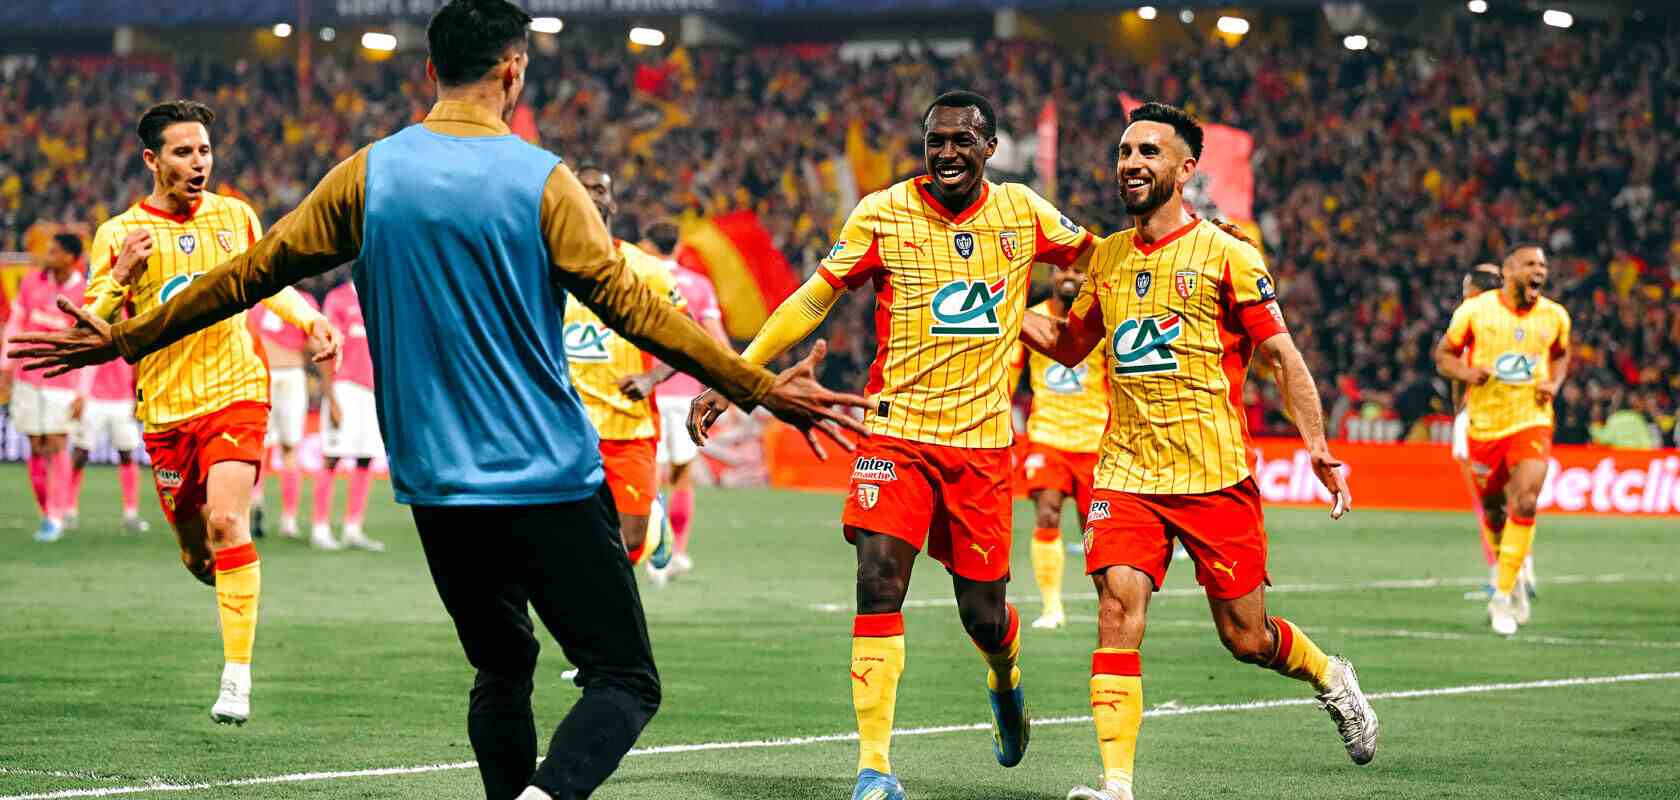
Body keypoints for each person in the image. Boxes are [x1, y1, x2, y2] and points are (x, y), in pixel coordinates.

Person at [9, 2, 865, 797]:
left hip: (438, 491)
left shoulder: (369, 175)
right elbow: (634, 306)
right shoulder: (544, 179)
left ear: (428, 72)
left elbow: (249, 274)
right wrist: (756, 386)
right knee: (624, 678)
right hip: (549, 479)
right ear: (514, 72)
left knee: (502, 671)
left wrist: (126, 336)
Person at [690, 89, 1095, 800]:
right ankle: (874, 769)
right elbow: (815, 297)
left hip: (979, 450)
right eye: (935, 140)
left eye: (961, 141)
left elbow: (1103, 257)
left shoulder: (1024, 212)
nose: (945, 153)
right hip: (895, 438)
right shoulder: (882, 211)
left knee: (984, 615)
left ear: (989, 149)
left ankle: (1005, 677)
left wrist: (1093, 280)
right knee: (878, 580)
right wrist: (737, 374)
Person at [1019, 102, 1376, 800]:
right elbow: (1069, 344)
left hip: (1213, 475)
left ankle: (1331, 676)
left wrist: (1319, 448)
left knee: (1246, 637)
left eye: (1149, 152)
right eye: (1125, 152)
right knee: (1117, 613)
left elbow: (1281, 356)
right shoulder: (1108, 260)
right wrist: (1004, 309)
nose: (1132, 163)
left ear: (1185, 170)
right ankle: (1116, 784)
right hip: (1124, 471)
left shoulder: (1228, 255)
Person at [78, 100, 338, 725]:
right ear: (151, 160)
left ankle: (237, 679)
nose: (198, 163)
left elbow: (268, 283)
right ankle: (216, 570)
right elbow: (91, 326)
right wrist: (119, 277)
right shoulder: (119, 234)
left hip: (236, 391)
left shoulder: (236, 217)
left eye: (204, 151)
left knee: (228, 519)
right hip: (166, 411)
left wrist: (310, 320)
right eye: (182, 153)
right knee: (201, 554)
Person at [1435, 243, 1571, 637]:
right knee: (1493, 512)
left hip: (1532, 420)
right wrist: (1465, 370)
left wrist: (1554, 383)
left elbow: (1561, 355)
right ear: (1509, 271)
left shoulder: (1555, 316)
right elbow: (1443, 355)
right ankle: (1507, 576)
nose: (1539, 270)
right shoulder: (1475, 312)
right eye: (1530, 263)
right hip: (1484, 427)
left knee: (1526, 499)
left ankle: (1504, 592)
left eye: (1543, 265)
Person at [563, 166, 683, 571]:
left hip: (628, 428)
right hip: (567, 429)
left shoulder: (645, 269)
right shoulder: (546, 266)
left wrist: (652, 378)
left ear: (611, 202)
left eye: (599, 189)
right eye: (583, 189)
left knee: (629, 544)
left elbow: (685, 335)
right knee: (569, 541)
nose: (592, 196)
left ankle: (652, 520)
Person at [1011, 258, 1107, 631]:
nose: (1069, 276)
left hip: (1094, 441)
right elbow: (1010, 374)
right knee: (1047, 512)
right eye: (1063, 270)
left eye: (1079, 270)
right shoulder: (1030, 319)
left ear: (1089, 276)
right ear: (1052, 275)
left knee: (1095, 529)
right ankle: (1052, 608)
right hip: (1047, 437)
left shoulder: (1101, 320)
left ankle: (1109, 608)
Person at [645, 220, 725, 582]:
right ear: (677, 245)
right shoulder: (698, 285)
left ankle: (650, 552)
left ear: (647, 244)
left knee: (652, 476)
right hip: (688, 394)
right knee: (680, 476)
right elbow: (716, 340)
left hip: (647, 389)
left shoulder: (638, 275)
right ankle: (677, 552)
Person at [0, 232, 89, 542]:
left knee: (56, 442)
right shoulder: (31, 282)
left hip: (62, 380)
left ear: (70, 257)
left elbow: (90, 345)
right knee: (36, 445)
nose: (48, 255)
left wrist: (83, 391)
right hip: (27, 376)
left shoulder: (85, 293)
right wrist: (6, 365)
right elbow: (15, 323)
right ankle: (47, 509)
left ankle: (56, 512)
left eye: (54, 251)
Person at [1447, 264, 1511, 598]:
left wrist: (1459, 414)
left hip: (1478, 417)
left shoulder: (1470, 317)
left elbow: (1460, 373)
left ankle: (1502, 577)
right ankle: (1517, 574)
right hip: (1512, 417)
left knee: (1485, 501)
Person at [312, 271, 385, 552]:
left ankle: (353, 528)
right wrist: (331, 397)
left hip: (371, 390)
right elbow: (325, 349)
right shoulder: (338, 299)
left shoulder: (378, 300)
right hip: (344, 389)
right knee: (332, 456)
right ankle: (320, 526)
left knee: (365, 458)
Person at [247, 290, 321, 541]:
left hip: (263, 373)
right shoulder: (304, 301)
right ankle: (288, 519)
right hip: (290, 373)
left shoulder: (257, 301)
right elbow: (314, 341)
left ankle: (255, 503)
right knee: (290, 448)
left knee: (259, 448)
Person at [69, 352, 149, 534]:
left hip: (123, 401)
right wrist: (79, 395)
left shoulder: (129, 325)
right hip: (92, 400)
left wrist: (139, 395)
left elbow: (138, 364)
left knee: (127, 455)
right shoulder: (93, 325)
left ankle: (131, 514)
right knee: (79, 454)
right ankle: (68, 510)